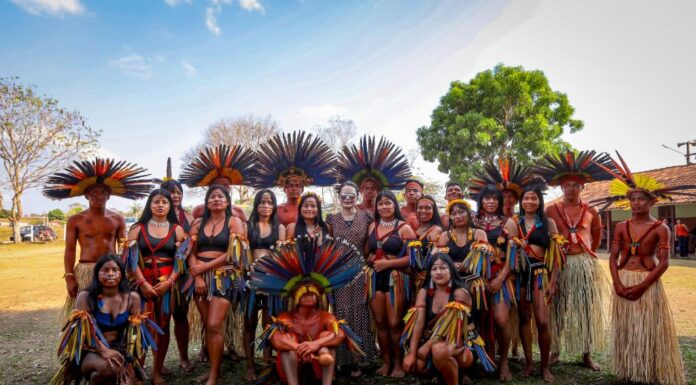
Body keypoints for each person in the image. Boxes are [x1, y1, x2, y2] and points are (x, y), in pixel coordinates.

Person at [598, 152, 688, 385]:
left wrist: (643, 285)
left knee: (648, 330)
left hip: (647, 282)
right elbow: (613, 257)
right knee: (627, 328)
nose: (637, 203)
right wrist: (617, 283)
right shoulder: (620, 227)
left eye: (642, 199)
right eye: (633, 199)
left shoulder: (661, 229)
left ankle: (649, 369)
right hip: (624, 278)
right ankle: (629, 369)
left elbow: (665, 262)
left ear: (652, 203)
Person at [43, 158, 152, 322]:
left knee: (111, 312)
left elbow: (124, 249)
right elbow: (70, 249)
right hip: (86, 270)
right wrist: (69, 276)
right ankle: (87, 346)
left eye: (103, 192)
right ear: (86, 195)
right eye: (94, 192)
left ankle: (113, 343)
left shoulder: (117, 219)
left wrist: (127, 271)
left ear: (109, 196)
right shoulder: (75, 220)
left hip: (111, 270)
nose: (98, 196)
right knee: (85, 317)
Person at [535, 150, 613, 371]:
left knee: (586, 310)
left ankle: (586, 355)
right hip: (559, 264)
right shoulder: (551, 209)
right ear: (561, 188)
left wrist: (584, 256)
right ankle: (556, 351)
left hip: (584, 264)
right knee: (558, 308)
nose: (571, 188)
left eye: (576, 185)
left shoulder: (592, 211)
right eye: (567, 185)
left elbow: (596, 239)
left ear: (583, 188)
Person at [179, 143, 257, 362]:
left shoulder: (237, 214)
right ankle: (208, 349)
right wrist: (196, 271)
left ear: (229, 191)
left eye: (225, 187)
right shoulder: (198, 214)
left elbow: (239, 246)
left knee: (220, 319)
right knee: (207, 321)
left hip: (226, 273)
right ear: (208, 192)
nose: (220, 191)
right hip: (200, 273)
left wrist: (206, 267)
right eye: (216, 187)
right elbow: (190, 245)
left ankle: (229, 347)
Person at [251, 238, 365, 385]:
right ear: (296, 298)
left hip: (318, 364)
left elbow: (340, 334)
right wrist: (300, 348)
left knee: (326, 341)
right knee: (287, 344)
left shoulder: (325, 317)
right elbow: (275, 339)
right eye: (304, 294)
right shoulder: (286, 318)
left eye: (312, 293)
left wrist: (316, 344)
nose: (309, 295)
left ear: (319, 297)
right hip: (294, 365)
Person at [49, 254, 160, 385]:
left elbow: (135, 337)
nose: (111, 274)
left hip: (119, 352)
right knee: (109, 368)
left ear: (121, 274)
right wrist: (104, 351)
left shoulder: (132, 298)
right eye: (105, 270)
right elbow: (82, 335)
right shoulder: (85, 297)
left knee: (118, 381)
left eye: (115, 270)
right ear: (97, 274)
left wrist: (130, 362)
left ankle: (96, 379)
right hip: (90, 352)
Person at [122, 188, 187, 385]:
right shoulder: (137, 228)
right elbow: (130, 260)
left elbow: (181, 261)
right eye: (156, 201)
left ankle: (157, 371)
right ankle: (138, 371)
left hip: (167, 286)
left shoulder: (177, 229)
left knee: (163, 327)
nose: (160, 205)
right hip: (141, 284)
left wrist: (169, 282)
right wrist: (142, 283)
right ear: (149, 204)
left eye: (164, 202)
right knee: (140, 325)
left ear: (170, 206)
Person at [187, 185, 249, 385]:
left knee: (214, 324)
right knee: (208, 326)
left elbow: (233, 253)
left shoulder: (234, 221)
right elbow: (190, 252)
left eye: (220, 196)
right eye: (212, 196)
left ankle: (214, 375)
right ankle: (214, 370)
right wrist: (196, 276)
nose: (216, 199)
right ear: (206, 202)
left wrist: (202, 269)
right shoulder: (197, 223)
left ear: (227, 202)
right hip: (200, 279)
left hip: (224, 276)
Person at [401, 253, 495, 385]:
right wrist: (411, 353)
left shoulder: (461, 293)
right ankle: (443, 374)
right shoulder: (424, 292)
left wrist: (427, 346)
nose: (438, 272)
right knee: (414, 364)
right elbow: (418, 323)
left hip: (462, 344)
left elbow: (451, 326)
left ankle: (459, 374)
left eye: (443, 268)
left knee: (439, 351)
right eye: (434, 269)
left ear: (451, 270)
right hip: (435, 343)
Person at [506, 184, 566, 382]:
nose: (529, 201)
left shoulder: (548, 223)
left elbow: (556, 256)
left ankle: (545, 366)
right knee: (524, 319)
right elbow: (505, 249)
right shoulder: (514, 222)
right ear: (521, 202)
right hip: (521, 275)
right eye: (526, 198)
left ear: (539, 201)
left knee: (542, 321)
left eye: (533, 198)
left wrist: (553, 281)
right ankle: (529, 363)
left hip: (541, 274)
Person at [325, 180, 377, 376]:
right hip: (338, 274)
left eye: (351, 196)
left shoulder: (366, 217)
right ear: (339, 198)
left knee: (361, 314)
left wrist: (368, 259)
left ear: (357, 197)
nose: (348, 199)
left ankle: (360, 359)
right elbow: (328, 247)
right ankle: (342, 360)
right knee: (341, 314)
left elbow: (371, 242)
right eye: (344, 196)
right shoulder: (331, 219)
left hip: (359, 272)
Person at [466, 184, 517, 381]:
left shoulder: (509, 223)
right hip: (474, 277)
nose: (491, 201)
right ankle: (475, 361)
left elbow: (513, 257)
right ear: (481, 201)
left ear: (500, 201)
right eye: (486, 198)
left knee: (501, 319)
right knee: (474, 319)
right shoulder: (471, 220)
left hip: (499, 275)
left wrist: (500, 279)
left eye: (495, 198)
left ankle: (503, 361)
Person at [365, 190, 417, 378]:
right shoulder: (372, 226)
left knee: (395, 323)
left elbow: (413, 259)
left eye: (388, 203)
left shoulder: (404, 228)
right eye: (381, 204)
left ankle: (397, 364)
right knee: (380, 323)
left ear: (395, 205)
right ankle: (386, 363)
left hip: (396, 279)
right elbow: (366, 251)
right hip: (375, 278)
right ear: (376, 207)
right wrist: (370, 258)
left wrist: (389, 263)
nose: (384, 207)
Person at [244, 188, 286, 381]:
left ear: (274, 205)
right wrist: (249, 268)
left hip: (271, 281)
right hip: (251, 279)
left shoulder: (280, 228)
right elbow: (242, 252)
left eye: (270, 202)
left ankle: (267, 359)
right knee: (250, 321)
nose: (266, 206)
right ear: (257, 204)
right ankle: (250, 365)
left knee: (269, 321)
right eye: (262, 202)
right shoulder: (248, 226)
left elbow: (282, 256)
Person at [158, 159, 196, 371]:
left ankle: (183, 357)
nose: (176, 195)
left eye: (179, 191)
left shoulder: (188, 217)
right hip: (160, 274)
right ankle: (159, 363)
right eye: (171, 192)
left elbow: (193, 244)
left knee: (181, 317)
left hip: (182, 275)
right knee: (161, 319)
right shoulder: (156, 215)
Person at [252, 131, 336, 226]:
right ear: (284, 188)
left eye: (297, 185)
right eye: (291, 185)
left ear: (302, 189)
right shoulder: (277, 210)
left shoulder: (310, 210)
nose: (294, 188)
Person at [335, 135, 411, 214]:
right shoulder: (353, 210)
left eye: (373, 188)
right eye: (366, 188)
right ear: (361, 190)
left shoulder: (383, 210)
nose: (369, 191)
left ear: (377, 191)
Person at [179, 144, 255, 221]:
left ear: (229, 189)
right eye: (217, 185)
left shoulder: (238, 212)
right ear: (210, 189)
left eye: (225, 185)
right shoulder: (198, 211)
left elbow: (246, 232)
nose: (221, 189)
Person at [436, 199, 487, 274]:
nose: (458, 216)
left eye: (461, 212)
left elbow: (485, 258)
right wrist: (452, 265)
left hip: (474, 279)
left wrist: (468, 265)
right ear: (450, 217)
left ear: (469, 214)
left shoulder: (479, 233)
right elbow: (439, 259)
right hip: (451, 279)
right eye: (454, 213)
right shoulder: (445, 235)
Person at [411, 195, 444, 295]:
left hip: (429, 281)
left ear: (434, 211)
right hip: (414, 279)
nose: (423, 211)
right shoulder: (415, 229)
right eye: (420, 207)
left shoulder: (436, 230)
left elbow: (435, 258)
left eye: (428, 208)